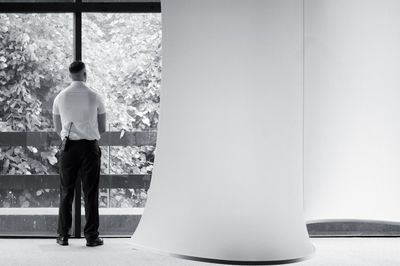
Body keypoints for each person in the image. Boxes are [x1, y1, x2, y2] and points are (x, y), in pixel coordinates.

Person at [52, 61, 106, 247]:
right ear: (85, 74)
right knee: (90, 193)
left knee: (66, 192)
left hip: (68, 149)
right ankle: (91, 237)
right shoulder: (95, 96)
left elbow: (57, 128)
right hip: (89, 148)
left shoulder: (60, 97)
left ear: (70, 75)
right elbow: (103, 128)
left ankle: (62, 236)